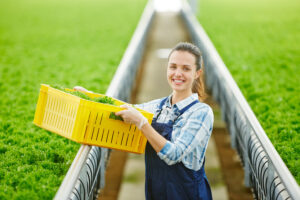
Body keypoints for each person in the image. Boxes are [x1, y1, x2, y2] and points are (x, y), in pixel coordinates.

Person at [75, 42, 213, 200]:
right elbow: (125, 108)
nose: (178, 73)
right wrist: (92, 97)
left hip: (187, 195)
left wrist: (142, 124)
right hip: (157, 193)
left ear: (197, 73)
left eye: (186, 68)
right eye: (173, 67)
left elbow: (174, 154)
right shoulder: (159, 106)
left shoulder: (201, 113)